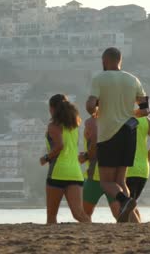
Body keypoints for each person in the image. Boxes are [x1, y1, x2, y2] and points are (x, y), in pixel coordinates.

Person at [86, 47, 149, 222]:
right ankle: (132, 223)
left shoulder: (99, 78)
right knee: (121, 181)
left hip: (109, 135)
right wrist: (130, 112)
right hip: (129, 133)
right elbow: (145, 110)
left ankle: (125, 200)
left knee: (106, 182)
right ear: (120, 60)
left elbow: (91, 105)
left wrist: (94, 109)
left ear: (104, 61)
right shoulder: (133, 80)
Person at [40, 94, 91, 224]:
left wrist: (46, 158)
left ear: (52, 108)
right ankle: (93, 233)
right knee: (79, 213)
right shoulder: (74, 126)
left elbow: (59, 146)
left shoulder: (53, 126)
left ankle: (50, 242)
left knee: (51, 215)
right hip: (75, 173)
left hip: (58, 172)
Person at [79, 112, 120, 221]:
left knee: (84, 215)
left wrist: (87, 155)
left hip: (96, 176)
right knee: (120, 216)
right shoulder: (115, 123)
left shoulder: (91, 124)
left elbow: (96, 147)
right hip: (111, 177)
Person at [126, 114, 150, 222]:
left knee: (126, 206)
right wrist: (149, 155)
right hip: (143, 169)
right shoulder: (144, 119)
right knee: (131, 205)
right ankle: (139, 229)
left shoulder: (122, 117)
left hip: (128, 169)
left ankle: (135, 232)